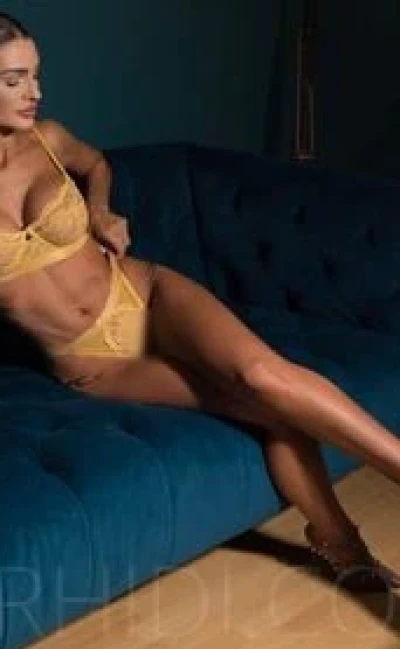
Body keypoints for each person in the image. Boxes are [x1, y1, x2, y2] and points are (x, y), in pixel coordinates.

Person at [0, 12, 399, 593]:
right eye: (14, 80)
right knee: (273, 413)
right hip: (95, 361)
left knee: (264, 375)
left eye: (36, 75)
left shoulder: (49, 138)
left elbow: (97, 165)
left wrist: (102, 210)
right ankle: (344, 548)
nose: (34, 92)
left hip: (143, 290)